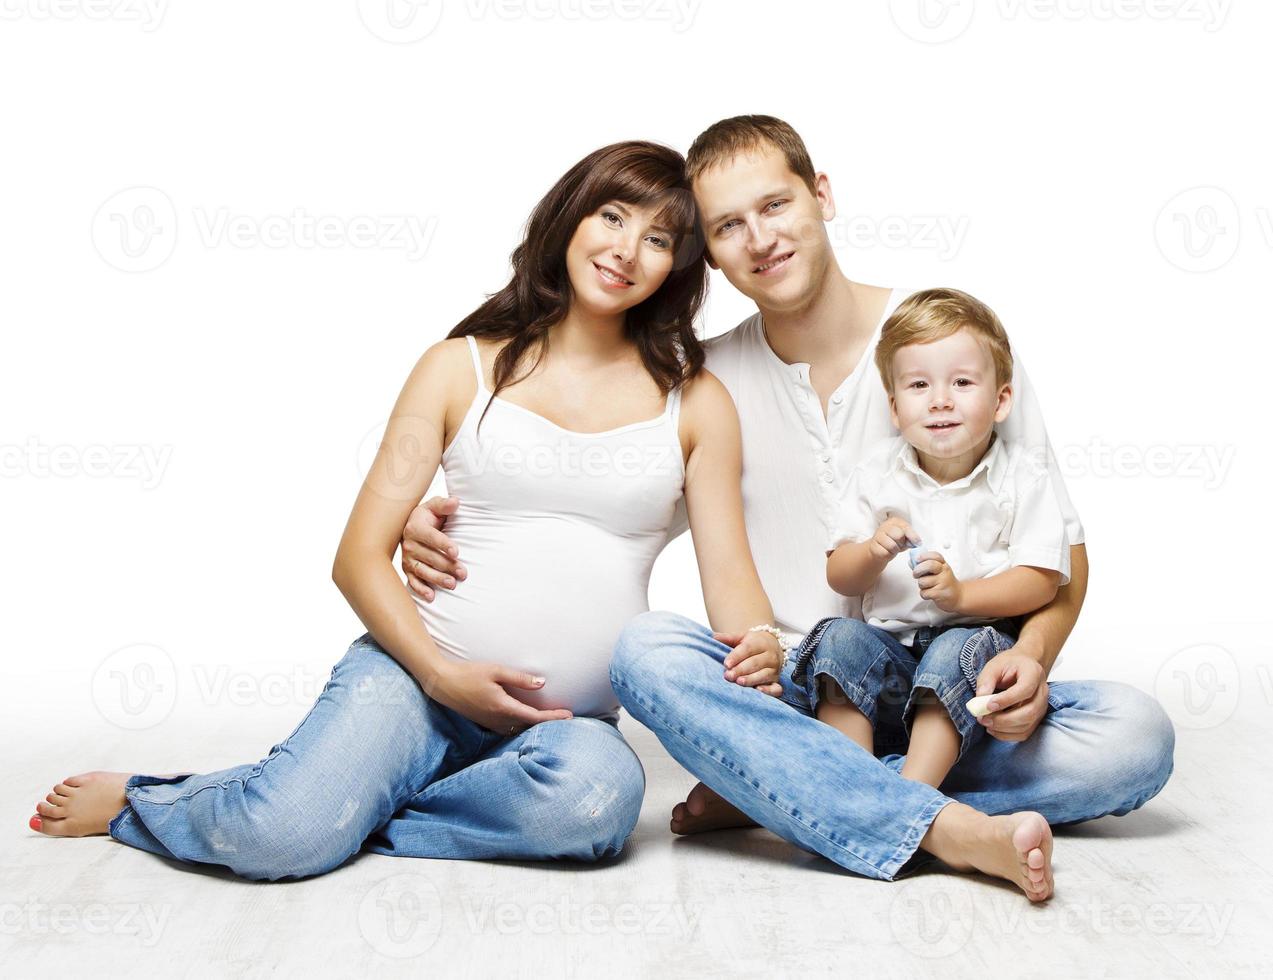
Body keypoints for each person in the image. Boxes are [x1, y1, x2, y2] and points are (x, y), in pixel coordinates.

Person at [403, 117, 1175, 902]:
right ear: (708, 250)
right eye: (728, 226)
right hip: (793, 697)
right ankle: (916, 816)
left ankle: (781, 794)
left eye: (774, 206)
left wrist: (1032, 661)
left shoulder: (945, 338)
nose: (760, 239)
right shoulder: (704, 381)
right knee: (646, 652)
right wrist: (438, 511)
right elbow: (599, 508)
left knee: (1132, 738)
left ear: (821, 194)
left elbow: (1060, 555)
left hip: (957, 690)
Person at [28, 141, 788, 881]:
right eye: (612, 217)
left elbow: (730, 581)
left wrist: (759, 646)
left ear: (679, 270)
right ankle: (158, 803)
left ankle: (330, 804)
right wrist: (439, 677)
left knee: (596, 811)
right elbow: (357, 555)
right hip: (410, 679)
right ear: (570, 218)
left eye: (657, 239)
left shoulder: (696, 403)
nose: (627, 249)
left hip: (564, 727)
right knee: (281, 843)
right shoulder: (455, 367)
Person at [811, 287, 1071, 809]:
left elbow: (1042, 579)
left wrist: (961, 597)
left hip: (973, 661)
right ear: (894, 406)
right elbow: (840, 575)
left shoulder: (1023, 476)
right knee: (838, 638)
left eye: (962, 382)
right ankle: (854, 790)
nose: (940, 400)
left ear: (1001, 400)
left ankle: (909, 800)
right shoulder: (875, 474)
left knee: (954, 648)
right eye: (919, 385)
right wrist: (872, 552)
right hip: (888, 663)